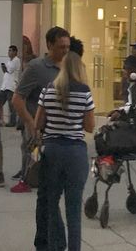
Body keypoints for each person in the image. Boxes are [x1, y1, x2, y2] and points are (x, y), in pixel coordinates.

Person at [31, 40, 95, 251]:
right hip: (75, 152)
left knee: (52, 204)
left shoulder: (49, 90)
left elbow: (38, 123)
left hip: (52, 151)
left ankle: (53, 246)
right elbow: (90, 126)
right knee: (74, 209)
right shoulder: (84, 91)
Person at [12, 26, 71, 191]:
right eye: (61, 47)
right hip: (37, 123)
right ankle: (25, 181)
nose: (65, 51)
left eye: (68, 47)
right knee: (32, 156)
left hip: (60, 126)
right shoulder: (36, 67)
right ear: (49, 45)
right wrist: (31, 124)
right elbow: (17, 99)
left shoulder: (69, 67)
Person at [0, 46, 21, 128]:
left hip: (11, 86)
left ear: (15, 52)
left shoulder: (16, 60)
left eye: (10, 51)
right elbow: (5, 71)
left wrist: (5, 68)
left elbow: (10, 70)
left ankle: (12, 122)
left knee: (11, 105)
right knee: (0, 103)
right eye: (8, 51)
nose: (9, 52)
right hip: (5, 85)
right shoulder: (9, 61)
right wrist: (3, 68)